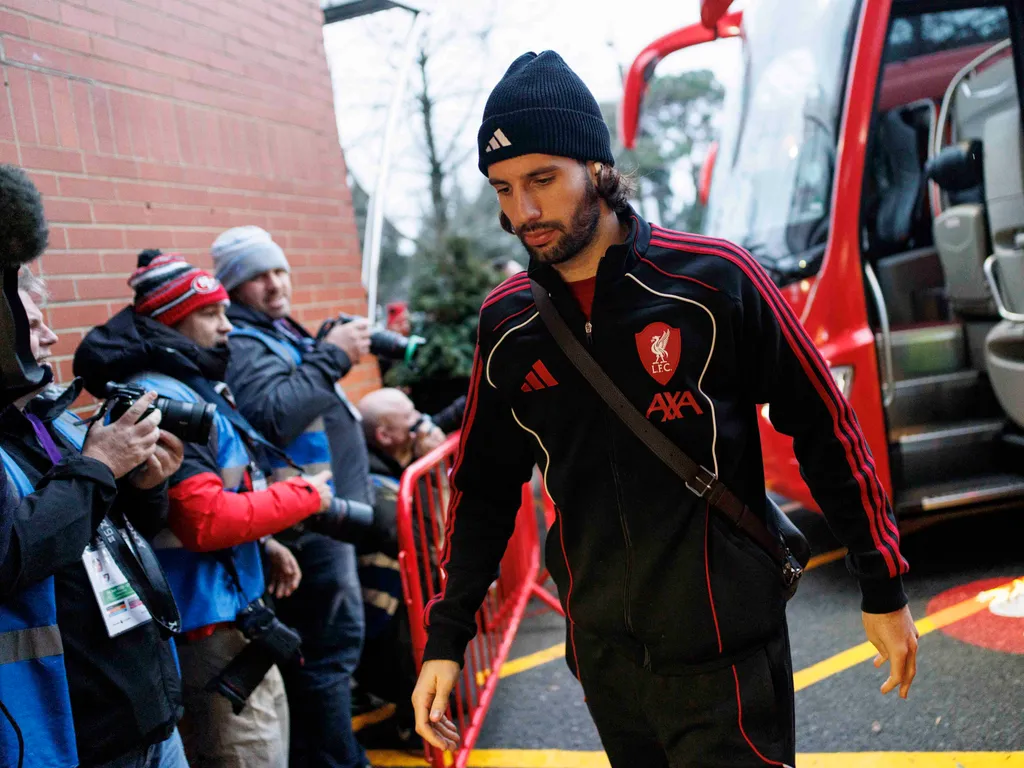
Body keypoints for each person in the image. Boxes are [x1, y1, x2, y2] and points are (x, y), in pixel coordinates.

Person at [412, 51, 920, 768]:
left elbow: (825, 429)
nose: (520, 211)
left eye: (541, 180)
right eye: (502, 188)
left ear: (596, 166)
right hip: (605, 663)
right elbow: (484, 490)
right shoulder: (508, 323)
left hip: (727, 656)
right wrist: (447, 639)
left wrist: (882, 584)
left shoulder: (715, 279)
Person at [73, 251, 340, 768]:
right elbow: (203, 520)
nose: (227, 326)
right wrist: (309, 496)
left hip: (231, 618)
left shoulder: (188, 383)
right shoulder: (163, 399)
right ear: (171, 320)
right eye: (210, 314)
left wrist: (264, 543)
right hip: (206, 630)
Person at [0, 166, 186, 768]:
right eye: (30, 323)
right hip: (72, 741)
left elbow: (105, 528)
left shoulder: (49, 418)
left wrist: (145, 485)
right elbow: (11, 553)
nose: (51, 336)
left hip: (150, 720)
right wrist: (101, 461)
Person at [211, 226, 378, 768]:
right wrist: (331, 357)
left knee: (334, 652)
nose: (274, 283)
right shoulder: (242, 340)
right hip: (305, 525)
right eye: (258, 276)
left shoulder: (274, 330)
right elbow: (272, 415)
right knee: (326, 656)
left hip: (322, 514)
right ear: (234, 288)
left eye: (278, 270)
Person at [352, 388, 446, 747]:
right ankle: (411, 728)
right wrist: (435, 471)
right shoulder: (374, 487)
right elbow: (432, 545)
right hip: (385, 632)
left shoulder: (393, 465)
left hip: (396, 618)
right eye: (412, 422)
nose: (422, 426)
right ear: (385, 436)